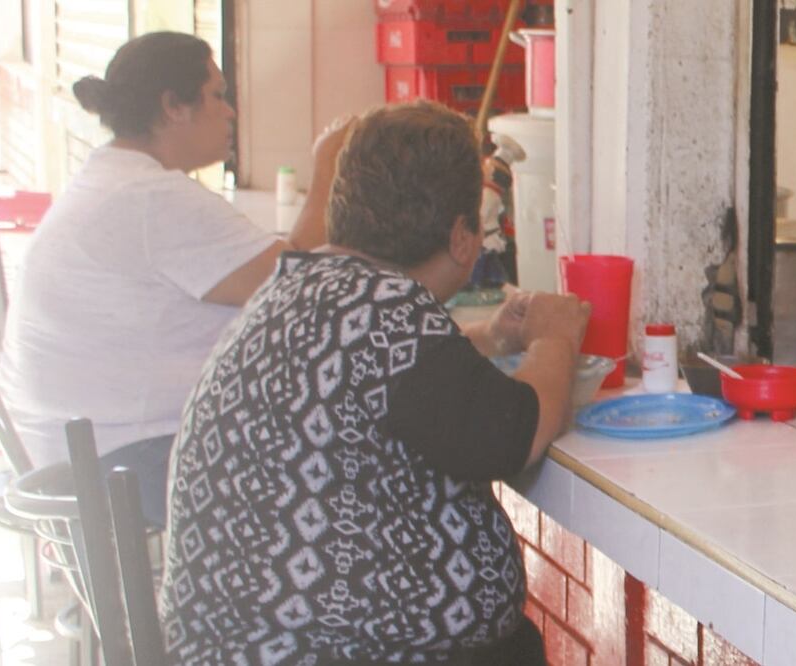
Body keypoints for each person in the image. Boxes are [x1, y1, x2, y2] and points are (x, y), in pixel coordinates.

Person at [159, 100, 590, 665]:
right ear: (462, 237)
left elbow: (385, 386)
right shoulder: (383, 311)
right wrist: (554, 339)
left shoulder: (307, 285)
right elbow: (512, 433)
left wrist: (491, 337)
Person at [0, 31, 351, 527]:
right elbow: (299, 281)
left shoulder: (115, 179)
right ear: (172, 107)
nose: (231, 113)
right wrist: (329, 166)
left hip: (79, 453)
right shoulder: (149, 197)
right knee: (351, 457)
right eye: (218, 96)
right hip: (122, 466)